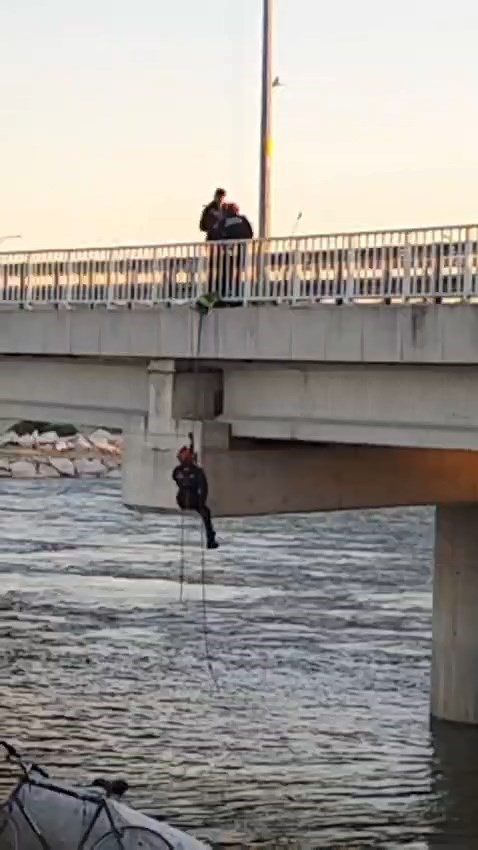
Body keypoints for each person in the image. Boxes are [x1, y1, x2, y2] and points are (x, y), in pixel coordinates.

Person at [172, 446, 219, 550]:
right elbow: (204, 488)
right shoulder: (198, 471)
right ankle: (210, 540)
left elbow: (176, 478)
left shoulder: (177, 470)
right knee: (206, 513)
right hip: (194, 500)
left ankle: (211, 540)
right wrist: (201, 504)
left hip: (181, 500)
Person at [218, 203, 254, 299]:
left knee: (227, 273)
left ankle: (225, 293)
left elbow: (219, 234)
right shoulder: (243, 219)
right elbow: (250, 233)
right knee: (238, 272)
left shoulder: (224, 221)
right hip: (242, 249)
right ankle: (238, 293)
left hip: (228, 250)